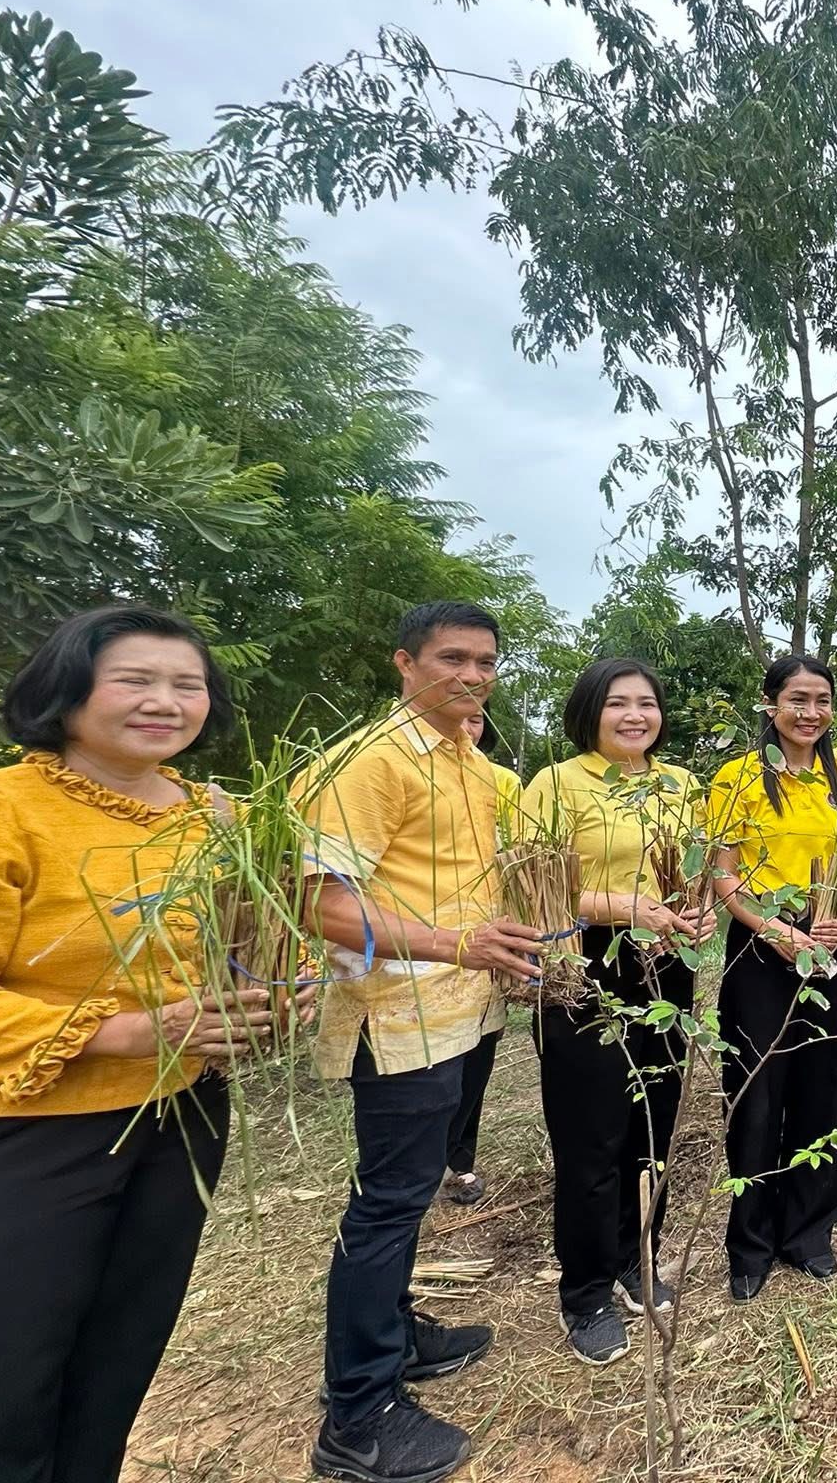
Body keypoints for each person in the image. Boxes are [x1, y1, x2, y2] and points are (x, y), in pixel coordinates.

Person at [0, 606, 278, 1483]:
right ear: (67, 689)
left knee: (122, 1350)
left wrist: (268, 990)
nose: (166, 701)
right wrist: (127, 1031)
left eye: (187, 685)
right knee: (14, 1372)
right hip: (38, 1130)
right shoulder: (9, 811)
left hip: (183, 1116)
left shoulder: (218, 817)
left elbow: (236, 940)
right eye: (136, 680)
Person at [302, 601, 542, 1483]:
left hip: (465, 1010)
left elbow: (485, 885)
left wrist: (506, 952)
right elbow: (318, 899)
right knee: (388, 1205)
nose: (471, 676)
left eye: (485, 662)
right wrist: (456, 945)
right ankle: (357, 1419)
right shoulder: (369, 762)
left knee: (410, 1192)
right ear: (404, 663)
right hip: (396, 1017)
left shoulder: (477, 767)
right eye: (451, 659)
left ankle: (399, 1335)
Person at [520, 659, 713, 1362]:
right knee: (591, 1136)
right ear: (589, 711)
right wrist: (621, 906)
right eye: (618, 704)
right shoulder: (556, 783)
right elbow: (529, 883)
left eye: (647, 704)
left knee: (654, 1126)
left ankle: (639, 1259)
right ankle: (587, 1291)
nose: (635, 716)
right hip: (585, 965)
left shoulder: (681, 784)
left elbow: (693, 875)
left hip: (661, 966)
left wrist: (695, 913)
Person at [708, 655, 837, 1301]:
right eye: (798, 700)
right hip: (761, 947)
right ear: (769, 703)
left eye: (823, 701)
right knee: (756, 1096)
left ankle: (808, 1232)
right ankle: (749, 1245)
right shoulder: (739, 778)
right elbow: (722, 874)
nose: (811, 714)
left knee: (825, 1087)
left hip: (829, 939)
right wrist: (776, 932)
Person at [440, 709, 518, 1209]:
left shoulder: (504, 783)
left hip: (490, 938)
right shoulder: (396, 771)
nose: (465, 729)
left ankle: (458, 1162)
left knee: (477, 1058)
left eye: (474, 720)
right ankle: (417, 1162)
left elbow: (525, 856)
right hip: (422, 945)